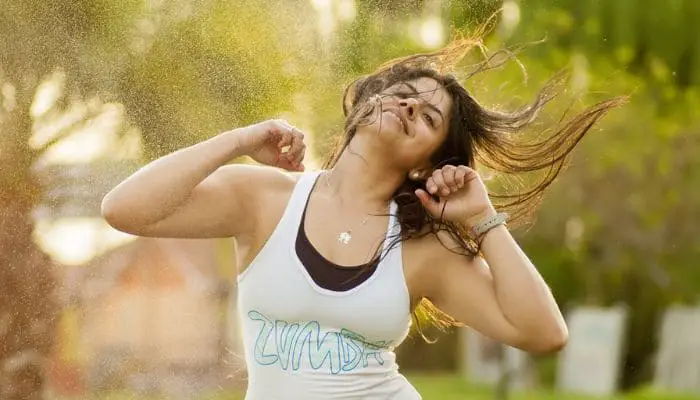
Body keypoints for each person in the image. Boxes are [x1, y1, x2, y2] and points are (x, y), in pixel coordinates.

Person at [102, 36, 624, 399]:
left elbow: (544, 334)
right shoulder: (265, 199)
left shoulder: (424, 250)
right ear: (368, 102)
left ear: (426, 162)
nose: (408, 108)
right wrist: (238, 141)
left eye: (427, 117)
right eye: (404, 95)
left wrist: (483, 217)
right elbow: (124, 209)